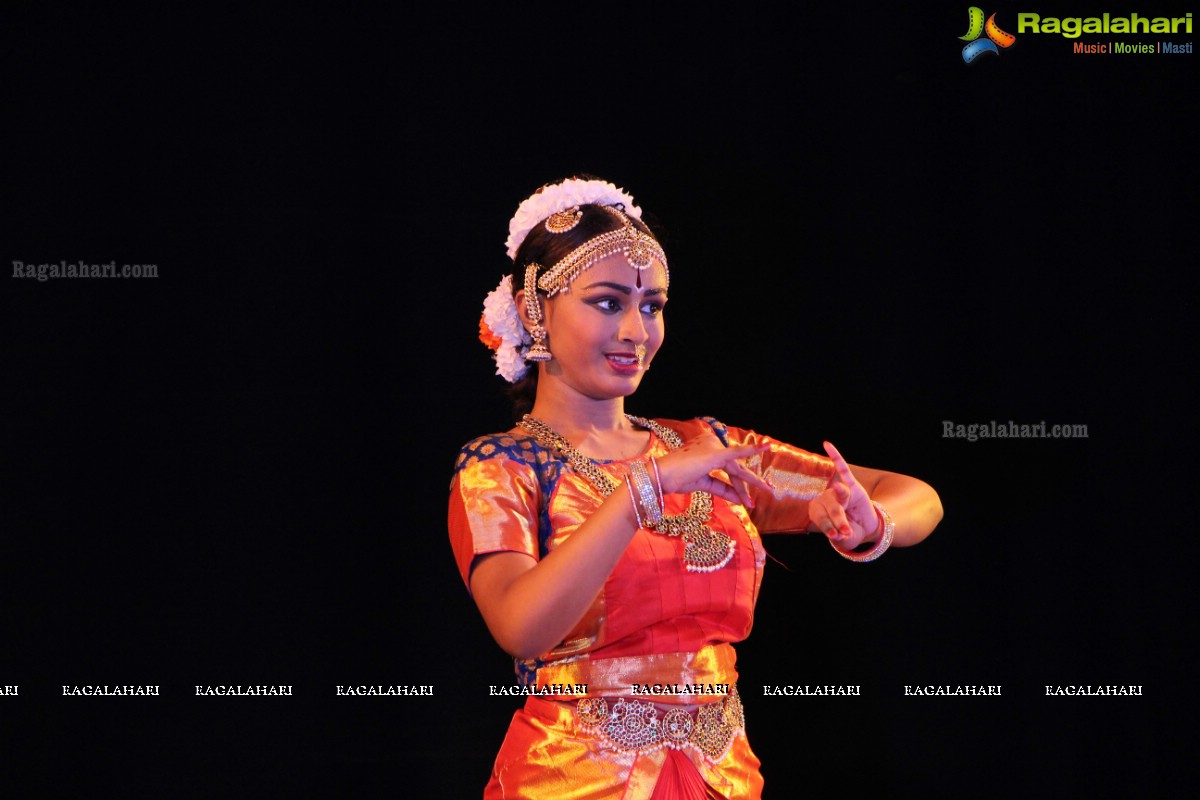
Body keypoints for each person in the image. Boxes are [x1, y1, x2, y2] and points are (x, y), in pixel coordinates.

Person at [449, 177, 943, 799]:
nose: (636, 330)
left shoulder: (703, 448)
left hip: (722, 780)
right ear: (532, 311)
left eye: (651, 306)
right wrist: (640, 494)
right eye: (607, 303)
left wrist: (874, 525)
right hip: (572, 782)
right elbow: (520, 628)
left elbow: (917, 495)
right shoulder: (504, 465)